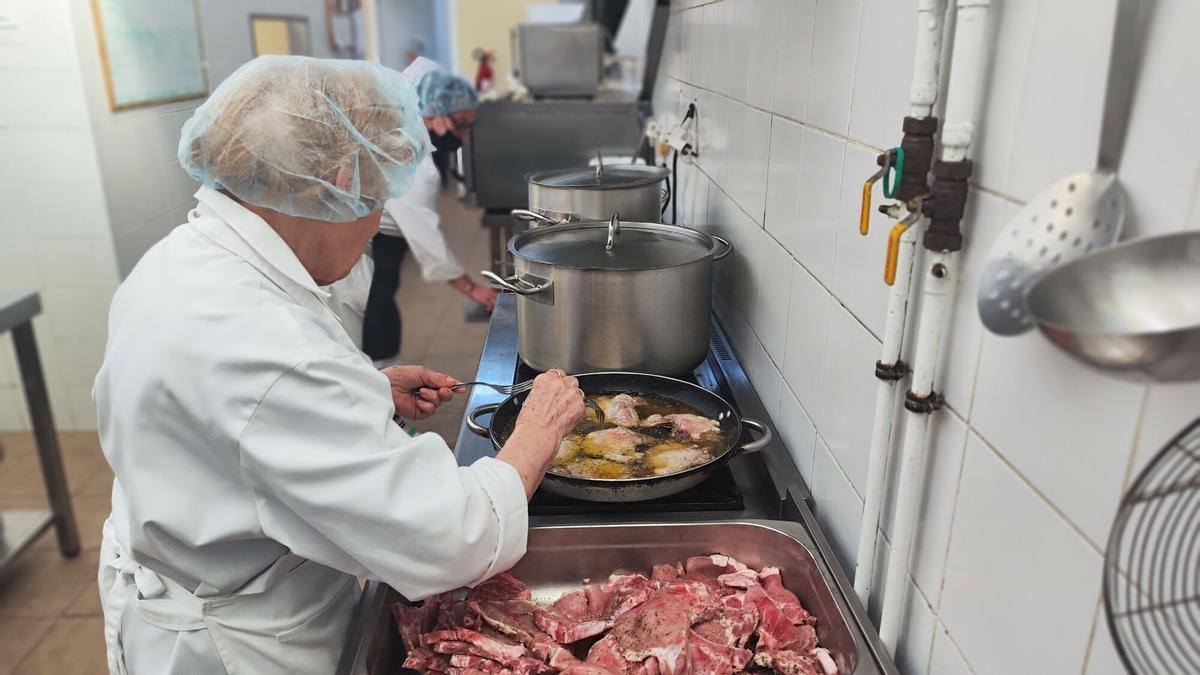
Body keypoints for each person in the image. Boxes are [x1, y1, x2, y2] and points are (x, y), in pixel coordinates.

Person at [94, 55, 585, 675]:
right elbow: (449, 536)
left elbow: (232, 427)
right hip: (241, 643)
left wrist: (361, 390)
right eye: (375, 196)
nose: (377, 220)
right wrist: (537, 432)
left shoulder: (185, 258)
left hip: (185, 579)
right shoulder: (266, 345)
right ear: (327, 184)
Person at [329, 59, 495, 366]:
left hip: (379, 231)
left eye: (468, 127)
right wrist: (472, 290)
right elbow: (428, 242)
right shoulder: (413, 162)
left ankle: (382, 374)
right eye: (459, 125)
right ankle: (383, 383)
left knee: (379, 301)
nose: (463, 137)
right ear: (433, 112)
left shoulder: (403, 130)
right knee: (369, 311)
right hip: (364, 237)